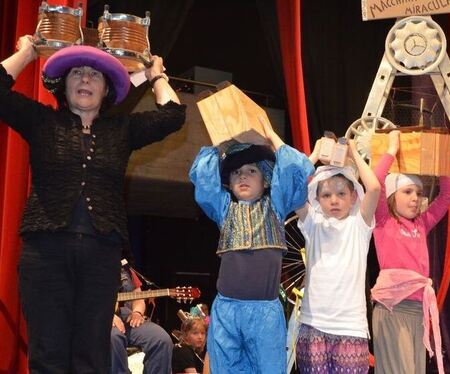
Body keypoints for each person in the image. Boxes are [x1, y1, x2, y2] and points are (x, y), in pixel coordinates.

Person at [0, 35, 186, 372]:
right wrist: (26, 53)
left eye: (95, 75)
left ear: (107, 90)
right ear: (64, 85)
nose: (85, 79)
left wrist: (156, 73)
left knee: (92, 355)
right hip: (45, 255)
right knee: (47, 353)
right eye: (76, 73)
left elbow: (172, 115)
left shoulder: (122, 130)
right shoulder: (42, 121)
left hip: (102, 256)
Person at [189, 117, 313, 373]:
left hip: (265, 314)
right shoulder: (224, 209)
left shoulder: (277, 206)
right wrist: (219, 144)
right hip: (227, 312)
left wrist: (269, 135)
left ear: (266, 180)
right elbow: (203, 181)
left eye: (251, 171)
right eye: (236, 172)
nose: (243, 176)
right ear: (229, 183)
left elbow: (297, 169)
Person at [369, 130, 450, 374]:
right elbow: (375, 183)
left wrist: (440, 162)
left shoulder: (422, 223)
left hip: (418, 311)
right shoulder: (384, 220)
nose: (416, 198)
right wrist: (391, 151)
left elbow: (448, 195)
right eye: (407, 192)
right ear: (391, 196)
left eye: (418, 193)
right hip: (393, 308)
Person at [294, 138, 381, 373]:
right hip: (313, 325)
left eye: (341, 193)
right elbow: (292, 187)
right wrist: (314, 155)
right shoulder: (313, 222)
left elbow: (373, 188)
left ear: (353, 197)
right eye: (326, 195)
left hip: (350, 328)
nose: (334, 200)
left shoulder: (359, 225)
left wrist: (353, 151)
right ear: (317, 199)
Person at [111, 264, 173, 374]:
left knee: (160, 339)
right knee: (114, 338)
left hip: (122, 314)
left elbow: (138, 297)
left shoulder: (124, 267)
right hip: (94, 318)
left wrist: (137, 312)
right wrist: (106, 315)